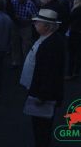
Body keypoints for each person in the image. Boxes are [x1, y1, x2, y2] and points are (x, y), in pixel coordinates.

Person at [20, 9, 65, 147]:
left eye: (37, 23)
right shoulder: (50, 39)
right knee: (42, 126)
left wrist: (42, 95)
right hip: (42, 91)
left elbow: (49, 73)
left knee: (41, 127)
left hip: (42, 94)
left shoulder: (49, 45)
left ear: (46, 26)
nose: (35, 25)